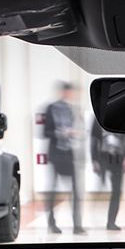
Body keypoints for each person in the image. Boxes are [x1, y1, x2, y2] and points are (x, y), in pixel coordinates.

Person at [42, 81, 84, 234]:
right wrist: (63, 133)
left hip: (70, 153)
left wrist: (75, 134)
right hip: (56, 153)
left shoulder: (74, 109)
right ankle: (51, 223)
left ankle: (77, 225)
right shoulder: (51, 108)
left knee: (76, 191)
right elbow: (46, 132)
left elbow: (80, 130)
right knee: (53, 190)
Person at [90, 121, 125, 231]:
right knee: (100, 186)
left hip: (118, 157)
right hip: (103, 156)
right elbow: (93, 139)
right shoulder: (98, 118)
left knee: (117, 191)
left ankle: (111, 222)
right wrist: (94, 159)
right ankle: (94, 217)